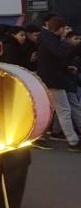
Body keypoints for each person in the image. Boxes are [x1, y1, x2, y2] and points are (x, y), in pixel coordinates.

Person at [37, 16, 81, 151]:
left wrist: (66, 67)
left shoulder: (47, 39)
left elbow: (54, 59)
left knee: (49, 110)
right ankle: (73, 141)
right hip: (54, 80)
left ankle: (39, 137)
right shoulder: (51, 40)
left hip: (49, 78)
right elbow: (61, 54)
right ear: (60, 29)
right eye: (65, 28)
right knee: (64, 110)